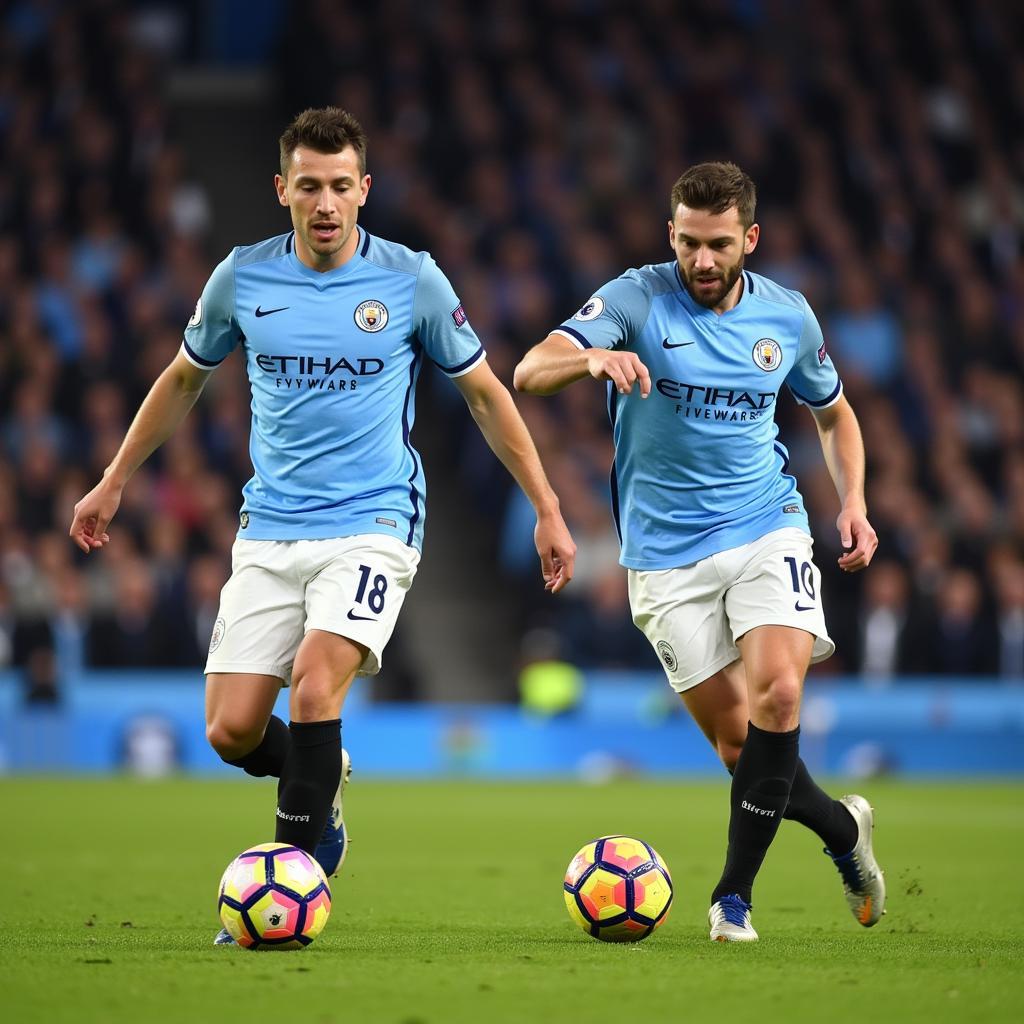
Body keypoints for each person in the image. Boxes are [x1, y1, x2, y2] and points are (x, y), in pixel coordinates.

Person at [70, 107, 576, 944]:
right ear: (282, 191)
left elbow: (486, 393)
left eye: (342, 185)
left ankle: (288, 890)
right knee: (231, 729)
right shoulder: (241, 278)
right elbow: (182, 380)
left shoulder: (412, 280)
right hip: (270, 527)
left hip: (375, 520)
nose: (327, 202)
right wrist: (114, 480)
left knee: (314, 686)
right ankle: (321, 770)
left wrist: (549, 507)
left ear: (364, 190)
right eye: (310, 185)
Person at [514, 161, 883, 942]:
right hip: (662, 556)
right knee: (741, 746)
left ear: (750, 238)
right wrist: (590, 358)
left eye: (719, 244)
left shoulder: (788, 318)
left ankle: (732, 898)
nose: (703, 261)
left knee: (780, 695)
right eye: (689, 244)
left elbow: (835, 412)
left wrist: (852, 501)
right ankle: (845, 834)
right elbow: (528, 368)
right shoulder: (635, 297)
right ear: (670, 235)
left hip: (764, 525)